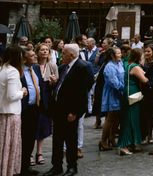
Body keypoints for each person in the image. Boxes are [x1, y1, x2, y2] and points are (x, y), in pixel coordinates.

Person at [44, 44, 93, 176]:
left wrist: (75, 112)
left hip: (70, 111)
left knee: (71, 140)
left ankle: (72, 166)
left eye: (63, 53)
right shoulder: (62, 67)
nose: (61, 55)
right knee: (57, 140)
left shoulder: (82, 67)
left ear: (71, 55)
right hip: (58, 109)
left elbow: (83, 91)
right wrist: (53, 84)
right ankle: (56, 166)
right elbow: (59, 87)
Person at [1, 46, 27, 176]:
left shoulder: (2, 69)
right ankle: (7, 171)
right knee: (9, 146)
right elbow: (11, 96)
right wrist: (22, 92)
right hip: (11, 114)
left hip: (3, 113)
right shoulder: (12, 71)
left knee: (3, 146)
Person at [117, 48, 148, 155]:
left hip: (128, 92)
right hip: (133, 93)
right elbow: (144, 80)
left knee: (129, 117)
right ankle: (123, 145)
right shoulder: (135, 67)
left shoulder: (129, 65)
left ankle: (131, 143)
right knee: (130, 119)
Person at [99, 47, 124, 151]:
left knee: (117, 118)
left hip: (119, 93)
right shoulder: (109, 66)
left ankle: (112, 138)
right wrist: (123, 88)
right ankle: (103, 141)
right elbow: (113, 82)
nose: (120, 54)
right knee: (110, 118)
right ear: (112, 55)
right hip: (113, 93)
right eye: (118, 53)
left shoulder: (119, 63)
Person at [141, 44, 153, 145]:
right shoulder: (142, 63)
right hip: (143, 91)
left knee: (151, 115)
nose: (147, 53)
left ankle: (150, 134)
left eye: (149, 51)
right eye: (145, 51)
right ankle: (144, 134)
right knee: (143, 114)